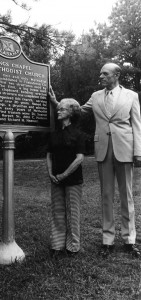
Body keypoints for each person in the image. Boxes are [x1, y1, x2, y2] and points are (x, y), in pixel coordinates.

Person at [49, 62, 141, 258]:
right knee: (106, 195)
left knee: (127, 196)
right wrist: (57, 103)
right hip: (103, 150)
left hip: (125, 149)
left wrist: (138, 152)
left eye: (105, 74)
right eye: (100, 74)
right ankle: (107, 240)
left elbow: (137, 125)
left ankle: (129, 240)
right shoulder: (96, 96)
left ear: (116, 75)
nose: (101, 77)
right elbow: (76, 110)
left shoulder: (131, 96)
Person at [47, 98, 85, 257]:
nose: (58, 110)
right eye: (59, 108)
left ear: (71, 112)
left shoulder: (79, 134)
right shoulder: (54, 134)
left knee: (73, 213)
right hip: (55, 179)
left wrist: (64, 175)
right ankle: (57, 245)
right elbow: (48, 155)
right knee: (57, 212)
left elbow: (79, 158)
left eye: (62, 109)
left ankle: (73, 247)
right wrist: (50, 173)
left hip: (72, 180)